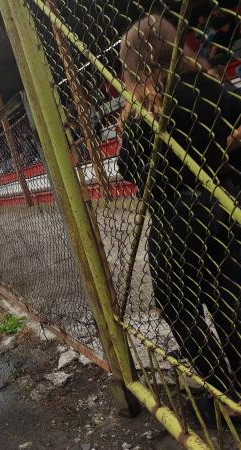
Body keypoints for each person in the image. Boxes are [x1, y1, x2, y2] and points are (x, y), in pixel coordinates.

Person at [118, 14, 240, 423]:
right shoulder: (208, 87)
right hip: (224, 204)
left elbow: (128, 169)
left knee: (181, 308)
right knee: (230, 298)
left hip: (174, 220)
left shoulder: (143, 115)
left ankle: (223, 391)